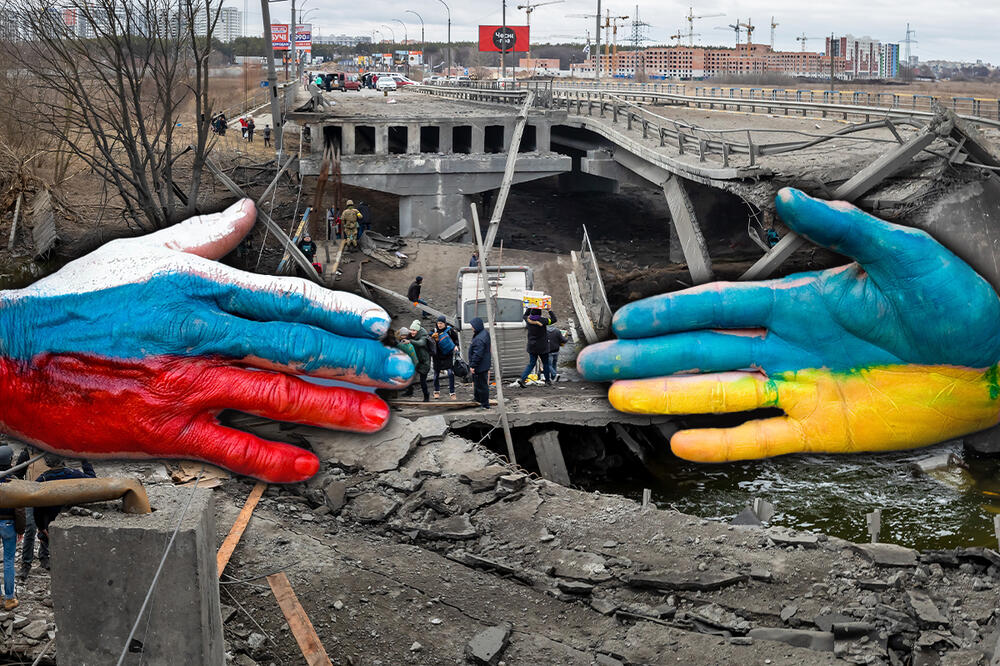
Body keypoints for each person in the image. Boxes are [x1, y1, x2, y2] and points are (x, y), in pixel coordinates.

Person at [32, 455, 96, 573]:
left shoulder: (43, 479)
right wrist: (84, 460)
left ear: (47, 463)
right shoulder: (73, 474)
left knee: (51, 545)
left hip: (48, 520)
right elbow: (93, 480)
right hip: (71, 517)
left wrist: (40, 527)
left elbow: (36, 505)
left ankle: (48, 562)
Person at [0, 446, 22, 610]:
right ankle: (9, 599)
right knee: (8, 562)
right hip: (9, 525)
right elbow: (19, 508)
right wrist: (20, 530)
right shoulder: (13, 481)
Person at [518, 308, 557, 387]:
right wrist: (549, 310)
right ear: (540, 313)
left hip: (532, 346)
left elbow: (525, 315)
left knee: (531, 364)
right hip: (543, 347)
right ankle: (547, 381)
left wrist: (530, 306)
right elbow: (554, 319)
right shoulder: (543, 321)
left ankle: (522, 379)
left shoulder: (528, 320)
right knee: (545, 364)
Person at [430, 316, 458, 400]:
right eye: (438, 323)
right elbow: (427, 337)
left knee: (450, 373)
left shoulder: (449, 330)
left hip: (447, 355)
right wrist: (432, 336)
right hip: (437, 356)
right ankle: (436, 391)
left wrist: (456, 346)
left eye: (441, 323)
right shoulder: (434, 331)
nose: (439, 325)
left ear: (445, 323)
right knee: (436, 375)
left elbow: (456, 339)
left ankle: (452, 392)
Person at [468, 317, 491, 409]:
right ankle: (477, 399)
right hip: (483, 364)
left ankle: (485, 404)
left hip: (480, 366)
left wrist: (473, 365)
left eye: (472, 326)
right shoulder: (483, 333)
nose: (471, 328)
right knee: (477, 383)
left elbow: (478, 354)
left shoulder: (479, 339)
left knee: (481, 385)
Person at [408, 320, 431, 402]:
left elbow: (421, 343)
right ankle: (409, 391)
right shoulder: (411, 335)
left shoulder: (423, 336)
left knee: (422, 381)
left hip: (424, 362)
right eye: (411, 330)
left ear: (418, 331)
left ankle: (426, 396)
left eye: (414, 330)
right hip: (416, 361)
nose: (412, 332)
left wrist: (410, 341)